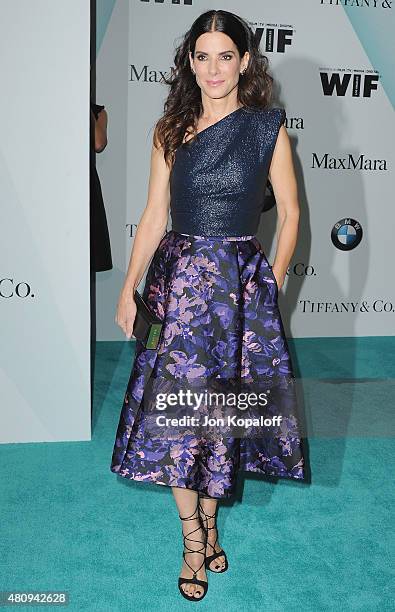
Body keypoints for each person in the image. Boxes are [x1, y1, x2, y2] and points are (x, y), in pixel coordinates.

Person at [110, 9, 305, 602]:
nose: (214, 68)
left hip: (236, 290)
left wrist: (267, 284)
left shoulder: (268, 129)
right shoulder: (170, 130)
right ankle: (194, 538)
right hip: (180, 285)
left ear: (245, 62)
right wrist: (128, 286)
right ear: (189, 62)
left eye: (226, 56)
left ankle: (211, 523)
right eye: (203, 55)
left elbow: (292, 216)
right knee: (177, 414)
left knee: (221, 417)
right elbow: (152, 216)